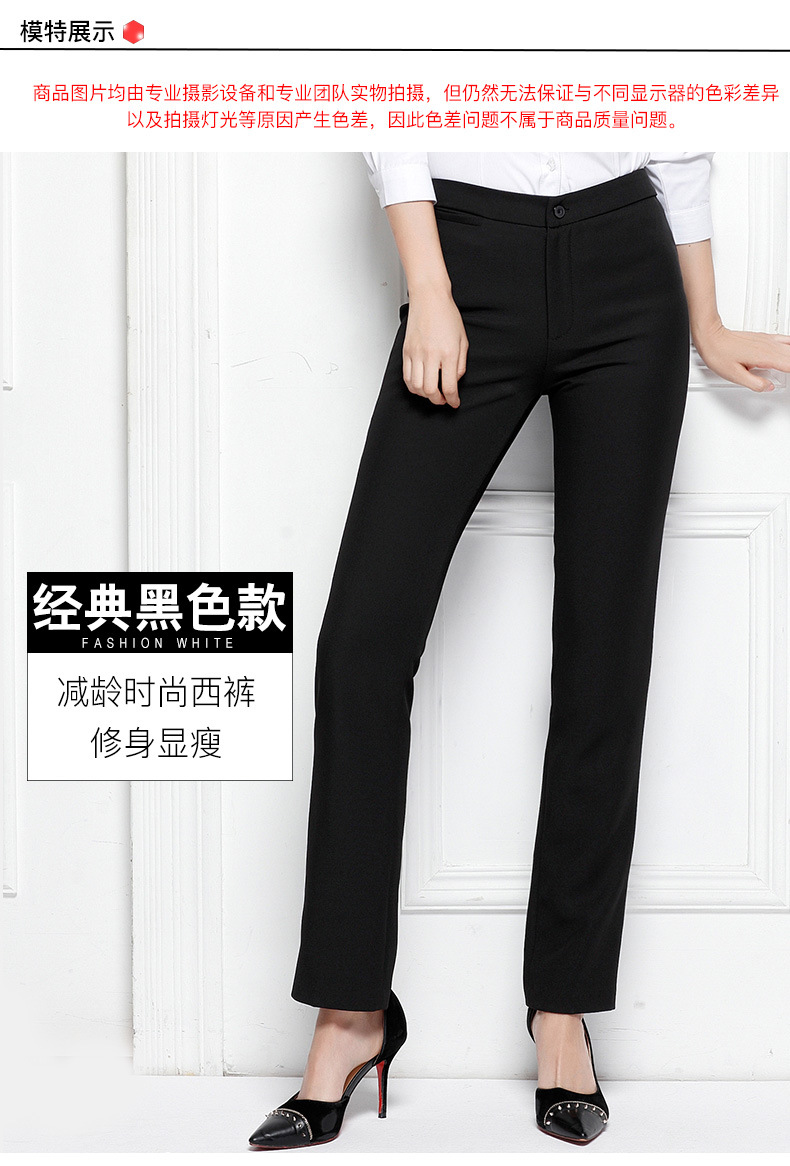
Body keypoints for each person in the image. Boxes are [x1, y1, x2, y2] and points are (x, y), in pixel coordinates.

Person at [249, 152, 790, 1149]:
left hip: (628, 275)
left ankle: (563, 1011)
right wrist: (430, 286)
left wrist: (706, 320)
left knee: (604, 655)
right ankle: (351, 1012)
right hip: (465, 259)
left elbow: (671, 127)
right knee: (362, 648)